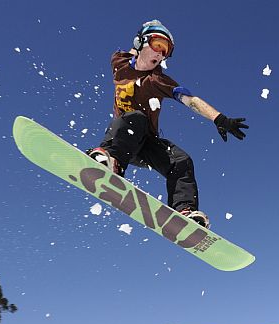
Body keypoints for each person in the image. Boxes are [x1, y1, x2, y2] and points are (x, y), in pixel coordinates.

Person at [86, 20, 248, 229]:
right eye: (158, 45)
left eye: (166, 51)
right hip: (122, 139)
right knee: (135, 117)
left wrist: (219, 118)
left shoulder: (157, 80)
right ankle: (111, 161)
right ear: (142, 42)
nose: (161, 54)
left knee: (181, 161)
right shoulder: (119, 62)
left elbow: (190, 100)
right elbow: (129, 51)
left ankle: (183, 211)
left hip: (146, 144)